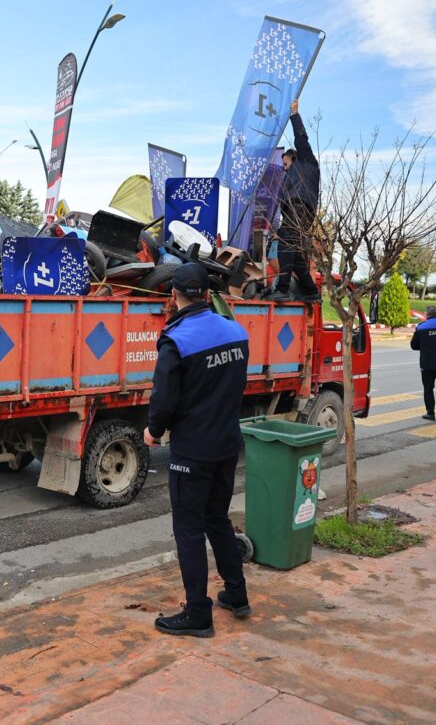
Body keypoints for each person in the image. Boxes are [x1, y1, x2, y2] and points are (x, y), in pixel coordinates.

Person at [144, 263, 250, 638]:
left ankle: (198, 614)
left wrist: (153, 431)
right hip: (226, 444)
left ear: (174, 295)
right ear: (207, 294)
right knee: (216, 519)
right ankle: (237, 595)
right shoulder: (236, 331)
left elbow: (164, 398)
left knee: (188, 530)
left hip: (193, 450)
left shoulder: (176, 340)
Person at [267, 99, 321, 303]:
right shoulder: (290, 177)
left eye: (285, 163)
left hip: (301, 209)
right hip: (297, 213)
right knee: (296, 256)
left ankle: (282, 288)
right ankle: (311, 291)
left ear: (293, 157)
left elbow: (301, 138)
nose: (284, 167)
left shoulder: (307, 162)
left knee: (286, 240)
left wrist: (294, 115)